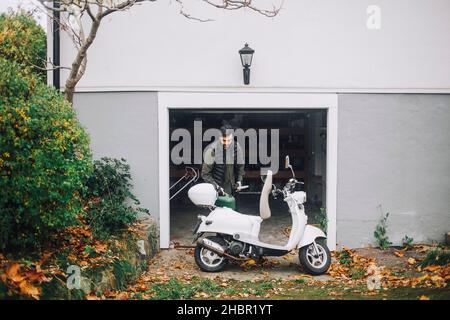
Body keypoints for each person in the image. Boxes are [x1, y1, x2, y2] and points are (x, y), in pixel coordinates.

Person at [202, 124, 245, 195]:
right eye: (224, 140)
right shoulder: (212, 150)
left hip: (232, 189)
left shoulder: (237, 147)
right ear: (219, 138)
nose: (226, 143)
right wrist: (216, 187)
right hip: (216, 191)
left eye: (229, 140)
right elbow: (205, 174)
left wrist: (239, 181)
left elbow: (240, 166)